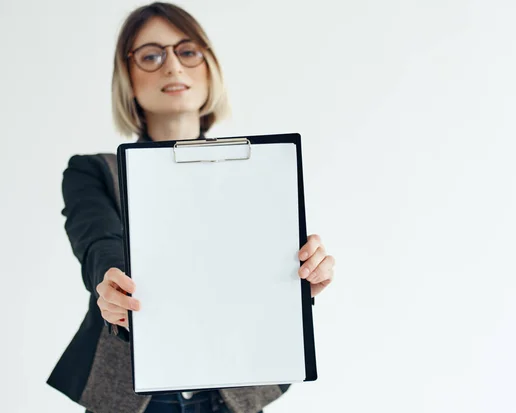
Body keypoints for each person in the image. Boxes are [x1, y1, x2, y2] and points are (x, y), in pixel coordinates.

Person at [45, 3, 336, 413]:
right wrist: (111, 283)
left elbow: (258, 275)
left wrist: (302, 274)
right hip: (130, 395)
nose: (172, 66)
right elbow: (98, 245)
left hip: (235, 389)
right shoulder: (93, 171)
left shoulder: (255, 169)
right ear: (127, 78)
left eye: (188, 51)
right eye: (151, 55)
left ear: (209, 67)